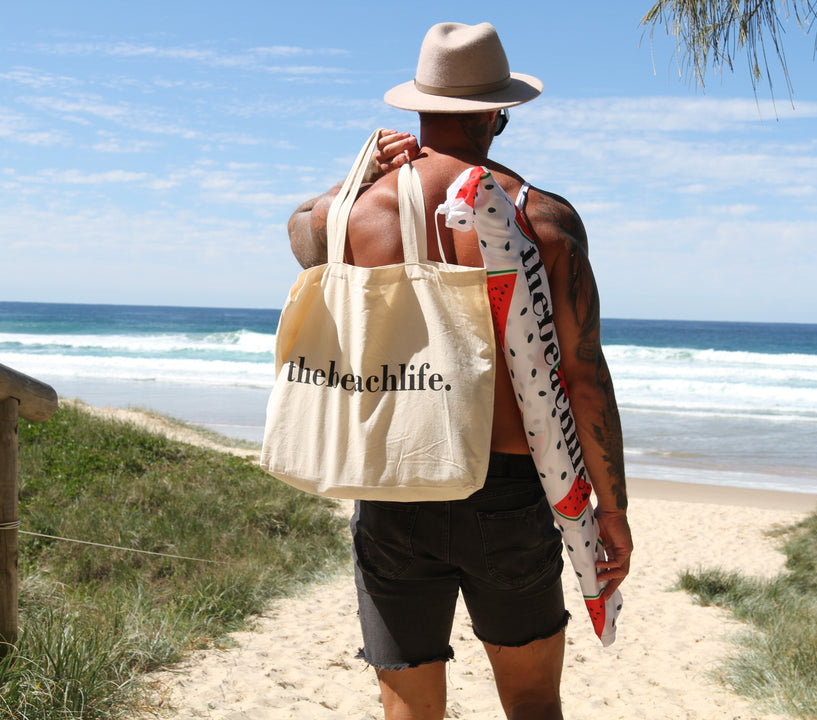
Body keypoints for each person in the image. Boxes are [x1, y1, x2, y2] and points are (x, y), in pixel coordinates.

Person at [287, 22, 632, 720]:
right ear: (497, 114)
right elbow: (583, 377)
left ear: (419, 109)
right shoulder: (546, 218)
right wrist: (612, 513)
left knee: (409, 707)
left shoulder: (360, 212)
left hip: (393, 485)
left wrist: (358, 173)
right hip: (506, 491)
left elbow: (301, 233)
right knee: (533, 699)